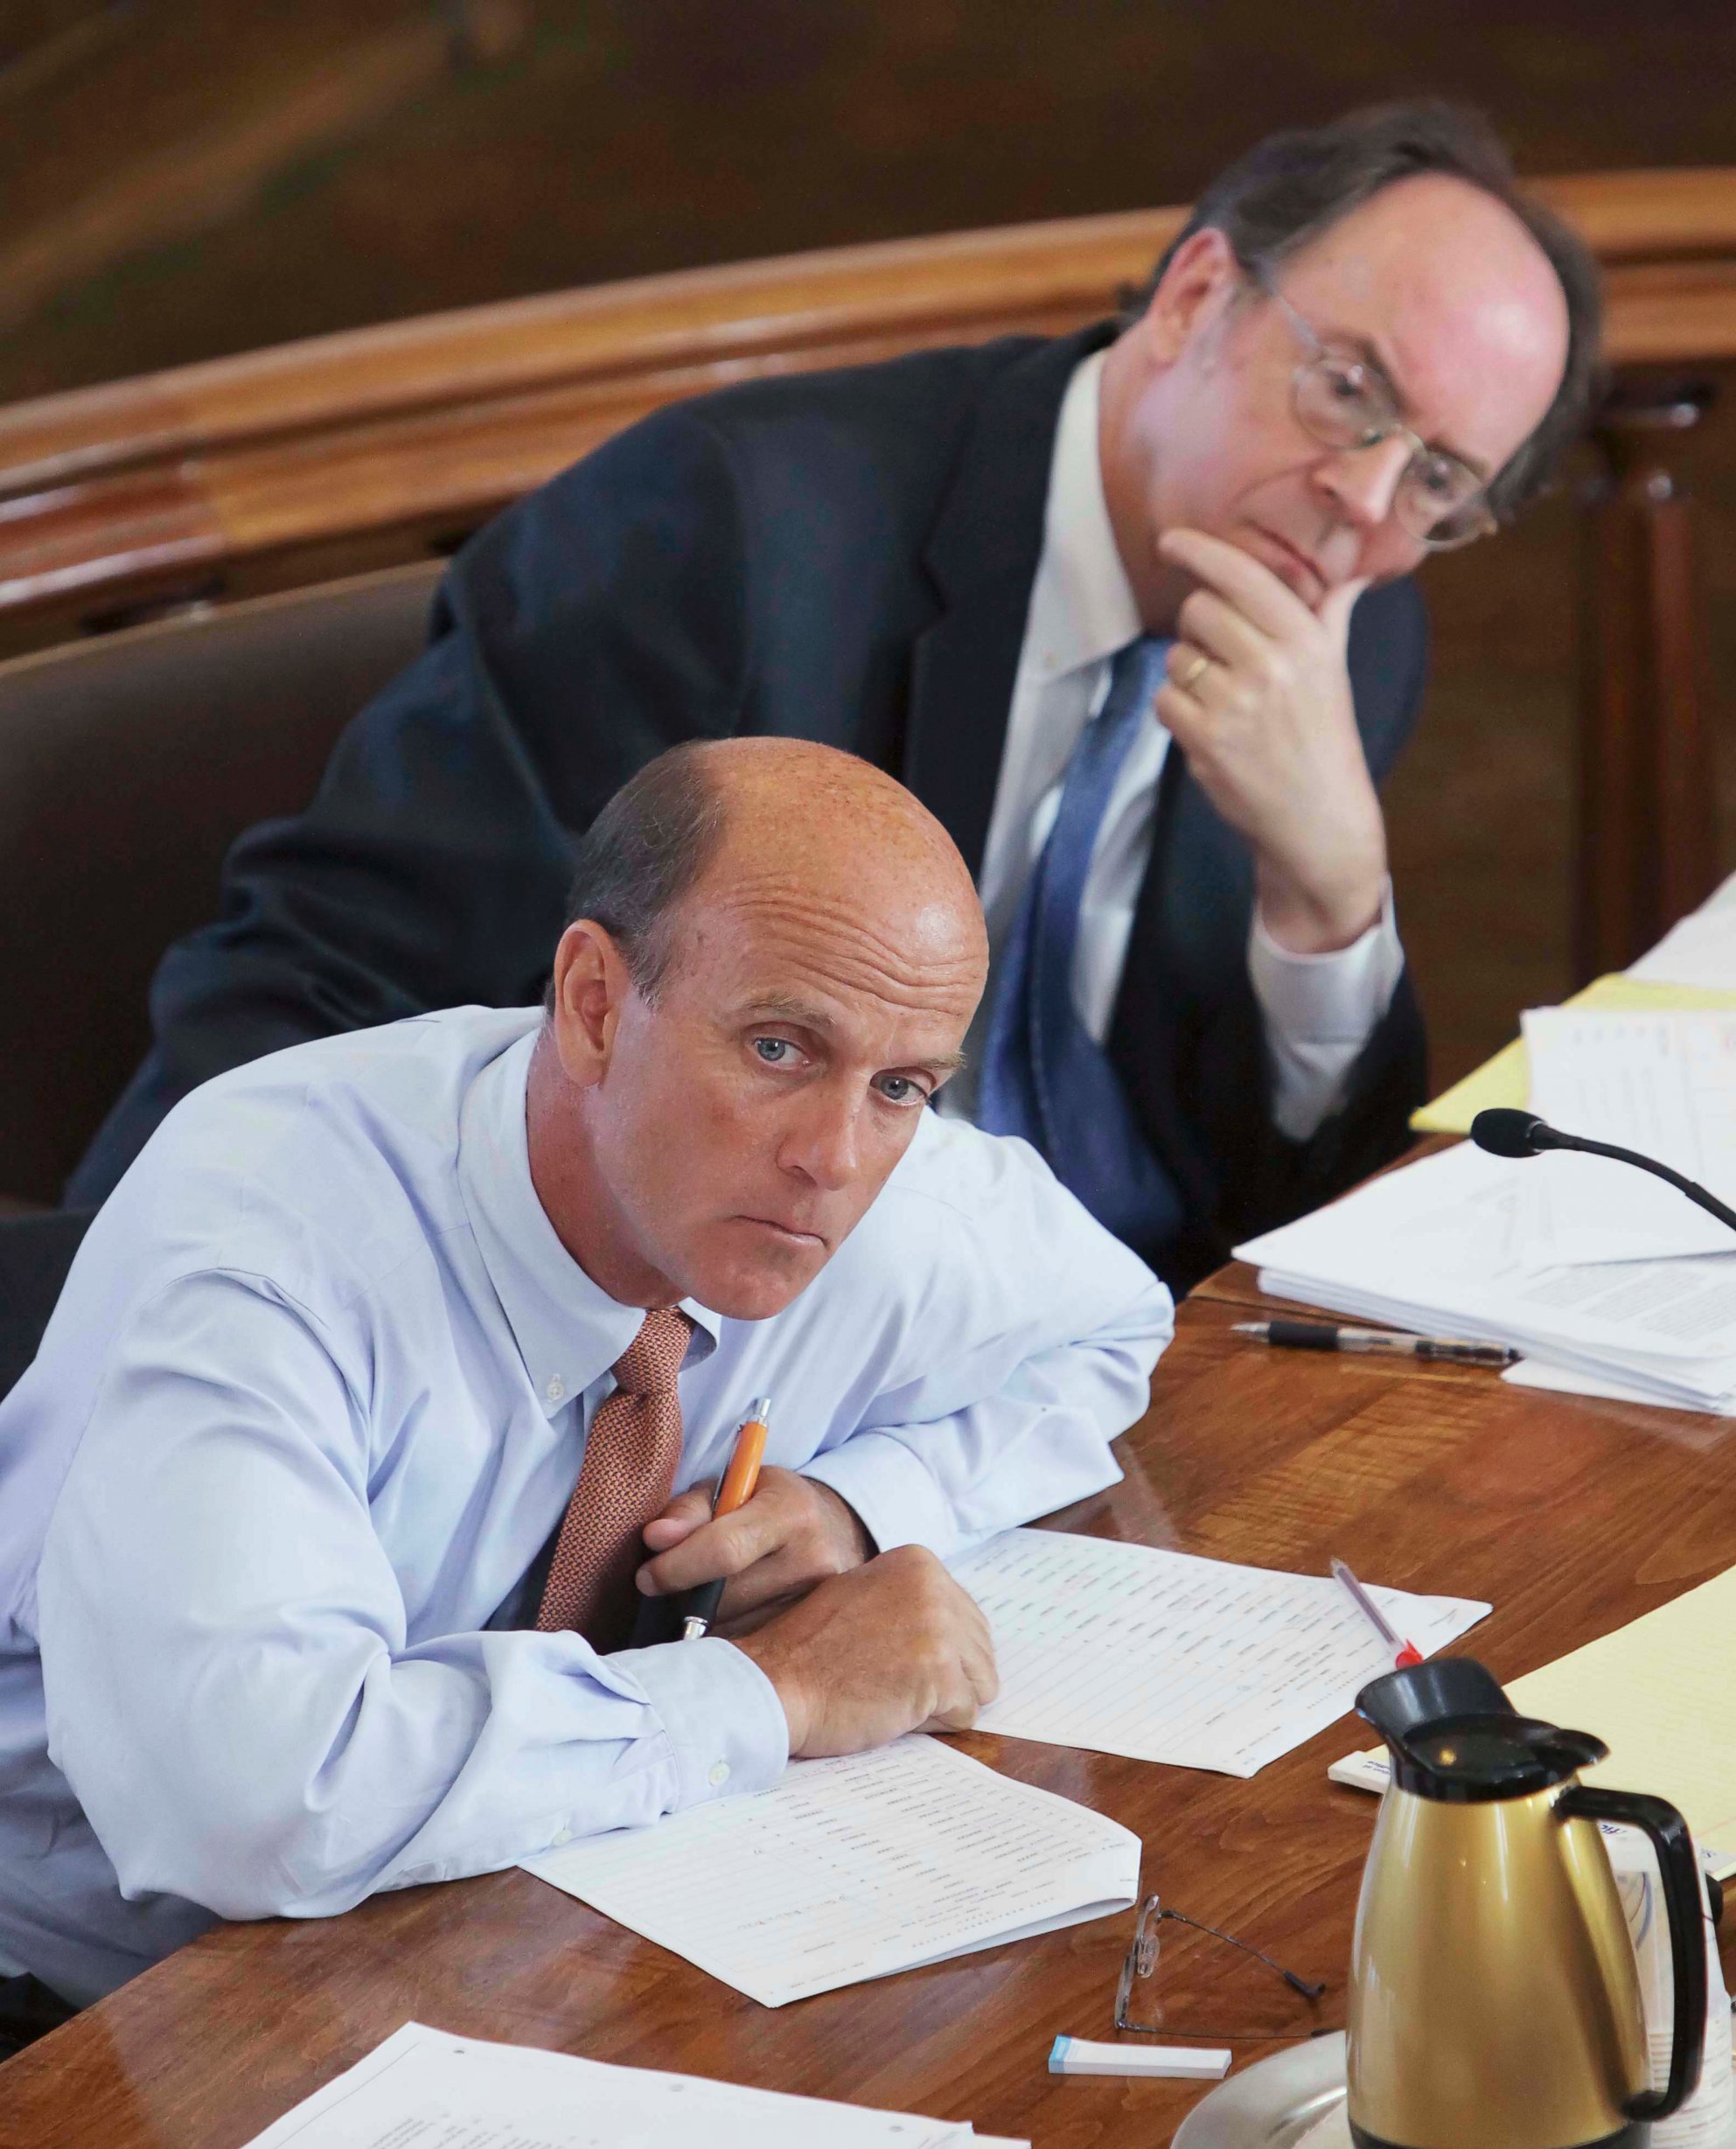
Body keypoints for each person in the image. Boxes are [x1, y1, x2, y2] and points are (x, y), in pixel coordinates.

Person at [67, 102, 1600, 1287]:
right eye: (1350, 392)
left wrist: (1329, 899)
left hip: (1059, 1400)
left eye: (1442, 481)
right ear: (1198, 295)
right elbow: (318, 1011)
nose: (1363, 504)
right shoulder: (730, 540)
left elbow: (1274, 1202)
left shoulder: (1349, 639)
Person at [0, 740, 1171, 2041]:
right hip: (103, 2008)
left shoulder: (862, 1189)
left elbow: (1111, 1329)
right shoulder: (272, 1239)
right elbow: (258, 1800)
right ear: (594, 1004)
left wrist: (855, 1502)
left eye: (902, 1086)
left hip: (525, 1931)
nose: (834, 1158)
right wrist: (773, 1693)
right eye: (778, 1048)